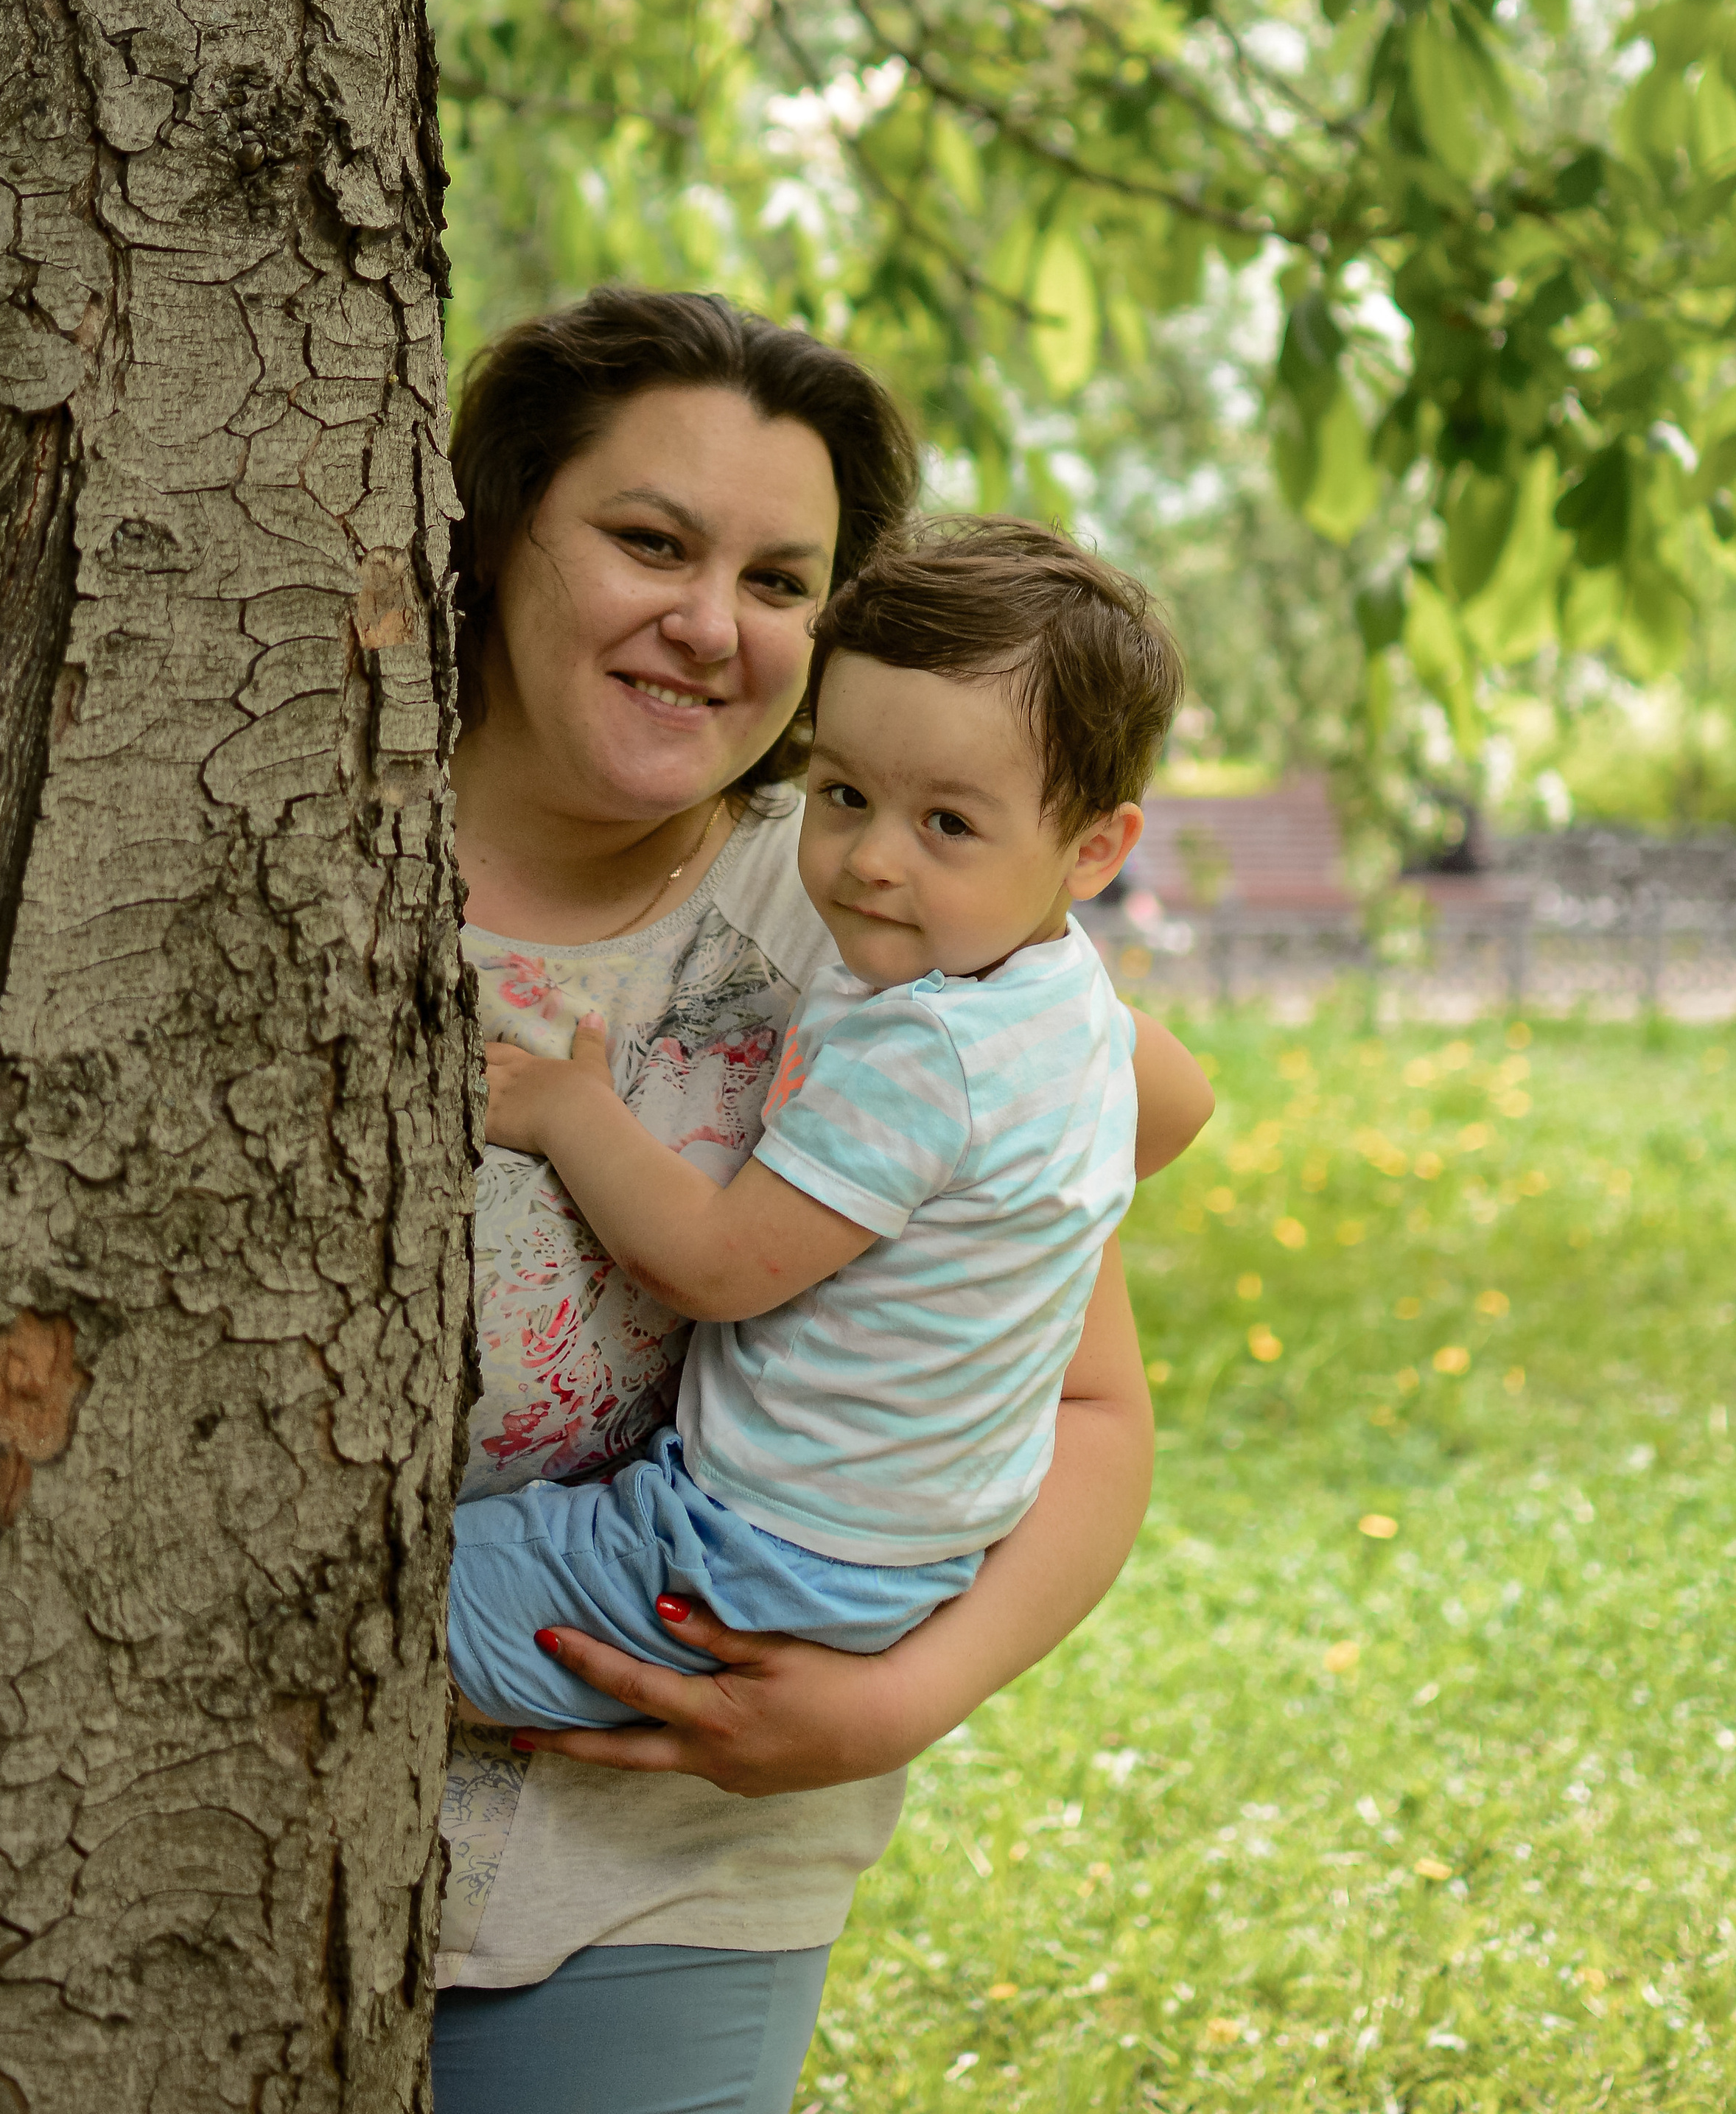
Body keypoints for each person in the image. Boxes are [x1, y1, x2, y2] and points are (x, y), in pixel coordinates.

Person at [431, 288, 1211, 2114]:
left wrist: (891, 1703)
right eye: (647, 542)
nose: (709, 626)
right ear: (493, 532)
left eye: (780, 581)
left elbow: (1088, 1391)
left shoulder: (874, 908)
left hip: (670, 1879)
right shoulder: (227, 828)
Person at [448, 521, 1190, 1730]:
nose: (868, 862)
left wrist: (568, 1110)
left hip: (751, 1555)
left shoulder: (926, 1050)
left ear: (1095, 846)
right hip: (896, 1553)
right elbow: (1186, 1105)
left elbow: (717, 1267)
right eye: (843, 795)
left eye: (947, 824)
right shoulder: (1055, 991)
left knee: (369, 1619)